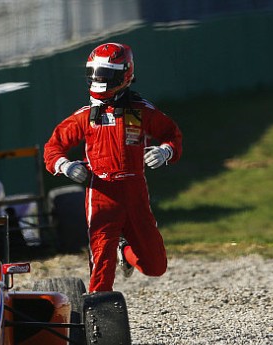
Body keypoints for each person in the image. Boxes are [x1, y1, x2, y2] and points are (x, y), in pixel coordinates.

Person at [43, 43, 183, 292]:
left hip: (135, 191)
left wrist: (165, 151)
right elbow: (52, 148)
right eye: (94, 74)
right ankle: (98, 317)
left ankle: (123, 249)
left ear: (124, 75)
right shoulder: (85, 116)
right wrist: (65, 166)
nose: (98, 80)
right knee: (101, 270)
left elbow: (172, 134)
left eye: (105, 75)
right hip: (101, 193)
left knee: (155, 266)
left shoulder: (141, 111)